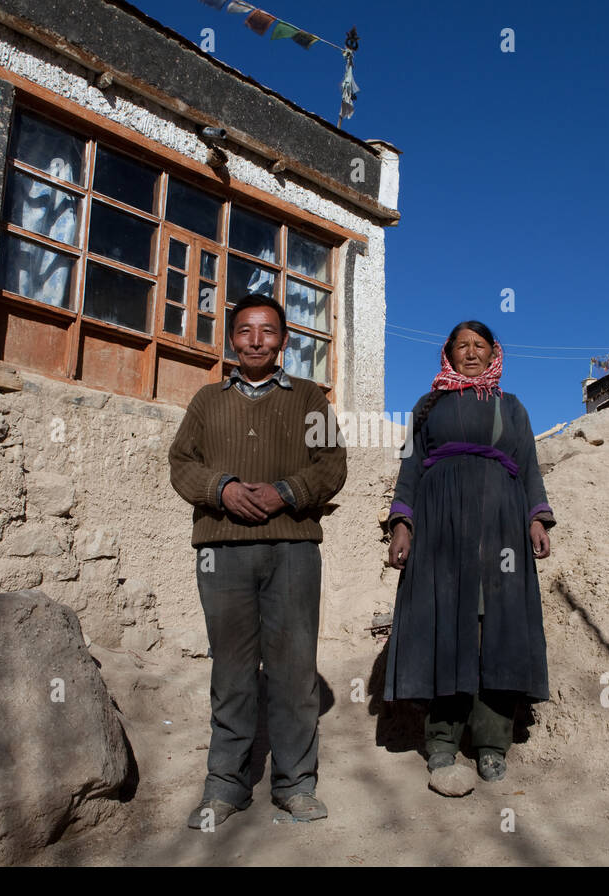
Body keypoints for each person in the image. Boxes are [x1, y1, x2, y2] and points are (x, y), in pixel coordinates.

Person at [168, 293, 347, 829]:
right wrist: (219, 490)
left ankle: (295, 784)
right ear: (231, 339)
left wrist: (287, 493)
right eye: (245, 331)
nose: (255, 341)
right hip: (221, 549)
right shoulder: (206, 401)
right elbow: (181, 463)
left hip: (292, 547)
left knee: (294, 668)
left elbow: (333, 464)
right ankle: (227, 782)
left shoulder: (311, 398)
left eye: (267, 331)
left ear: (284, 340)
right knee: (232, 669)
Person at [384, 321, 554, 792]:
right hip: (440, 529)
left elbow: (529, 470)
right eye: (462, 346)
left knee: (494, 631)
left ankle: (492, 745)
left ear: (493, 353)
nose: (471, 354)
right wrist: (402, 523)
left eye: (480, 346)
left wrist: (536, 518)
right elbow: (410, 467)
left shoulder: (511, 407)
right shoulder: (429, 405)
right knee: (445, 627)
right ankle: (441, 742)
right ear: (448, 353)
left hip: (501, 529)